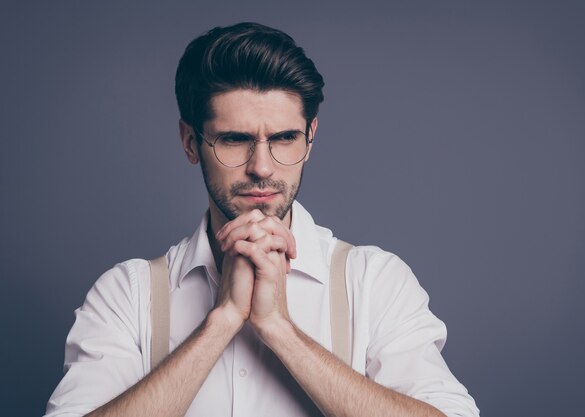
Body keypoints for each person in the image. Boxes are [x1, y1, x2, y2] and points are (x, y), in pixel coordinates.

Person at [44, 22, 479, 417]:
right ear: (190, 142)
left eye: (285, 138)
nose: (263, 167)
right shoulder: (127, 295)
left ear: (310, 139)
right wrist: (223, 320)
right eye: (235, 140)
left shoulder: (374, 281)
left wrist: (280, 329)